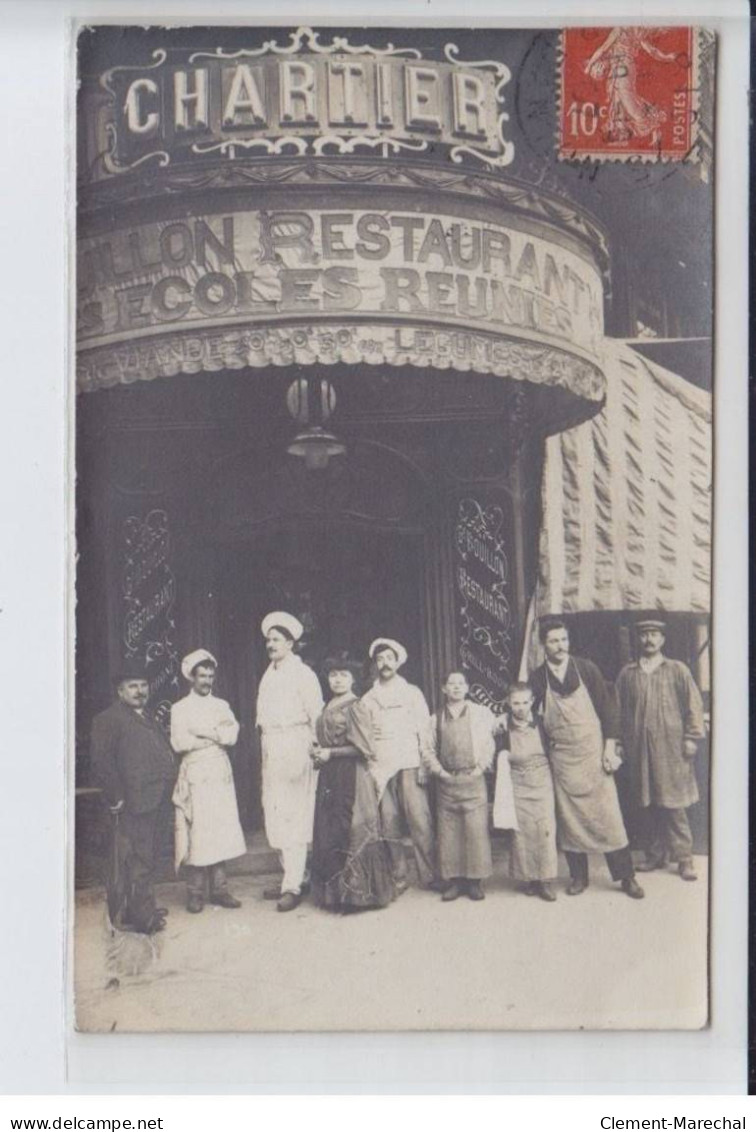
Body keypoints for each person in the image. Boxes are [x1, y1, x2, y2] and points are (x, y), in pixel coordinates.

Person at [530, 617, 644, 900]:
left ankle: (626, 877)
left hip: (593, 755)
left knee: (609, 818)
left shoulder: (586, 669)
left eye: (564, 639)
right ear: (543, 644)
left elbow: (609, 710)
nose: (560, 646)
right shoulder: (537, 677)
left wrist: (610, 747)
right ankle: (579, 876)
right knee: (570, 821)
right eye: (554, 641)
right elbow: (531, 719)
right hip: (562, 760)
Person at [90, 658, 176, 934]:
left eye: (143, 685)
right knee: (137, 859)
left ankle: (139, 907)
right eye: (133, 686)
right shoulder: (108, 719)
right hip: (134, 802)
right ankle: (142, 917)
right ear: (120, 691)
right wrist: (116, 798)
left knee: (146, 856)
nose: (140, 691)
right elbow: (102, 763)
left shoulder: (146, 716)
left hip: (155, 798)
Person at [616, 619, 706, 882]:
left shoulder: (677, 670)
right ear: (638, 640)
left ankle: (684, 858)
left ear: (662, 640)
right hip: (638, 751)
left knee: (673, 804)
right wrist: (619, 743)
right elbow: (618, 711)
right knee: (647, 803)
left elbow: (694, 706)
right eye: (644, 635)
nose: (649, 640)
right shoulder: (628, 673)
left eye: (654, 634)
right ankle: (655, 854)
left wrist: (692, 737)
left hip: (671, 750)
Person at [310, 653, 395, 913]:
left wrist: (330, 753)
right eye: (333, 675)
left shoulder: (356, 706)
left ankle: (358, 896)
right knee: (331, 828)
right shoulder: (327, 706)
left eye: (343, 676)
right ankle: (335, 896)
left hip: (352, 775)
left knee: (352, 827)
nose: (337, 680)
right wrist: (318, 753)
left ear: (353, 680)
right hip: (330, 775)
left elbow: (366, 749)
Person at [255, 611, 324, 912]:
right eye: (268, 640)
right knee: (276, 813)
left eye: (277, 640)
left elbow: (316, 715)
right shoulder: (268, 674)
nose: (271, 644)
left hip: (296, 746)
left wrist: (316, 749)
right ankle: (294, 876)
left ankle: (293, 886)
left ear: (291, 643)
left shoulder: (303, 674)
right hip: (273, 748)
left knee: (295, 817)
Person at [358, 639, 438, 894]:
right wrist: (371, 766)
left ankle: (429, 874)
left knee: (419, 820)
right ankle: (399, 874)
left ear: (398, 661)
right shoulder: (369, 698)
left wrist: (425, 764)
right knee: (389, 823)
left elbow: (424, 729)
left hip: (410, 762)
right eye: (380, 659)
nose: (385, 664)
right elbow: (365, 735)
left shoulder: (411, 692)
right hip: (382, 766)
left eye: (389, 658)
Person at [171, 649, 246, 913]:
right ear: (192, 677)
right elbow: (180, 742)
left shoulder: (221, 705)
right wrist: (215, 735)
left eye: (210, 676)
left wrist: (205, 733)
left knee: (220, 830)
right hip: (195, 775)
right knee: (199, 831)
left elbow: (232, 735)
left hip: (218, 773)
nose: (207, 681)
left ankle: (220, 889)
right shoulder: (179, 708)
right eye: (202, 676)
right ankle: (195, 892)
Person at [427, 672, 502, 902]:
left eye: (461, 683)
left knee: (476, 831)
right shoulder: (435, 718)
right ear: (444, 690)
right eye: (451, 683)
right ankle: (454, 882)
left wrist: (480, 769)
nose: (456, 687)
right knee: (449, 834)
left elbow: (490, 743)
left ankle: (474, 883)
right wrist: (440, 772)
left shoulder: (481, 714)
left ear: (467, 688)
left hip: (473, 779)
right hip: (447, 782)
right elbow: (427, 749)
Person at [497, 681, 558, 902]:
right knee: (522, 832)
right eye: (516, 703)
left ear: (532, 702)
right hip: (517, 782)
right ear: (509, 703)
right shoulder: (503, 726)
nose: (520, 707)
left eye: (525, 702)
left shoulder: (542, 724)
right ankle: (530, 879)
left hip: (542, 782)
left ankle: (546, 881)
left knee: (545, 830)